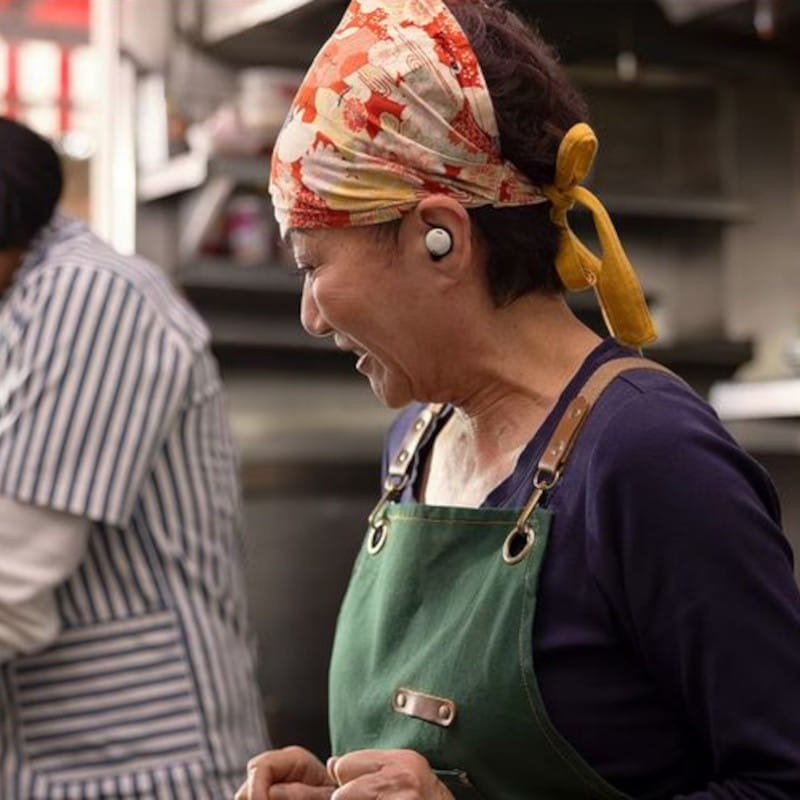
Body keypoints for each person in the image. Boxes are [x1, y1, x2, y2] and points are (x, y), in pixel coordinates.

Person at [239, 1, 800, 798]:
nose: (310, 314)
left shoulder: (649, 460)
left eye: (311, 263)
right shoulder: (414, 445)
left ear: (441, 237)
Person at [0, 117, 268, 798]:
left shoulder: (89, 297)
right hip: (62, 758)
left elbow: (12, 579)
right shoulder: (22, 305)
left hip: (145, 766)